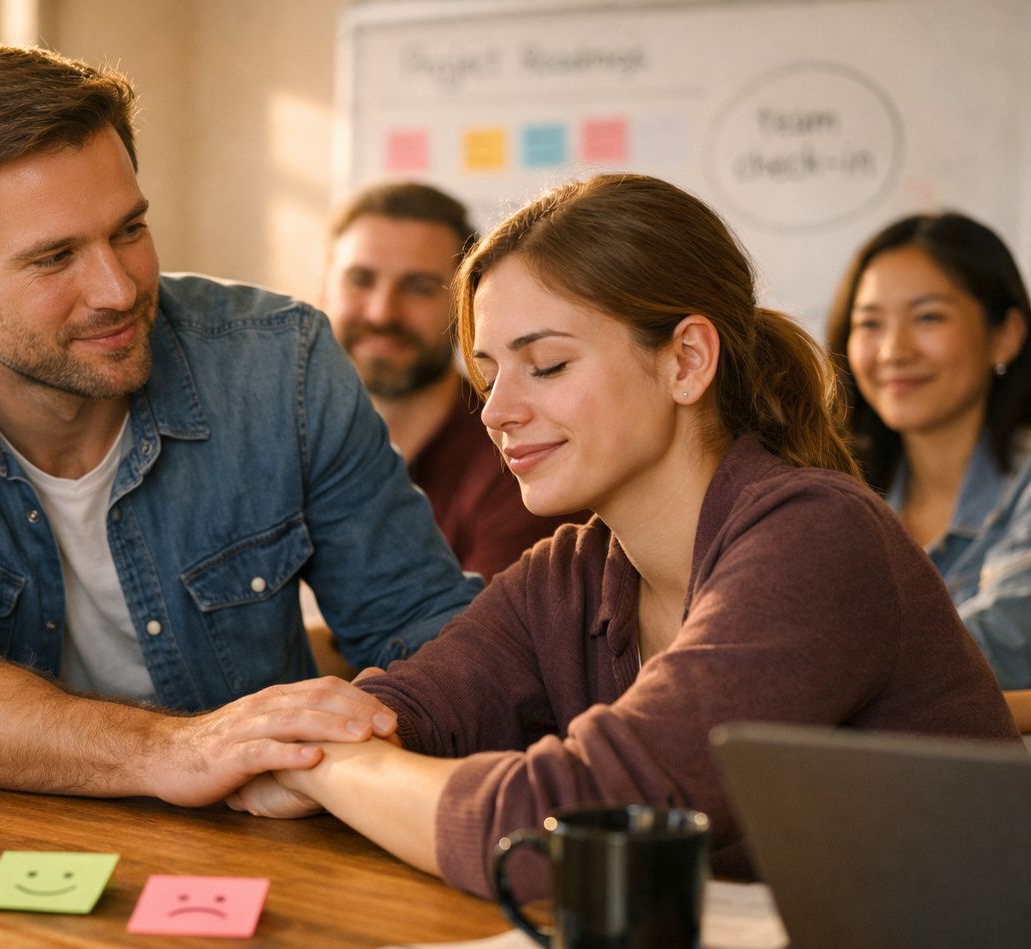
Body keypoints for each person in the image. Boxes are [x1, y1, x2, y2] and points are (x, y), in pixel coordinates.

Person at [227, 174, 1019, 901]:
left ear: (685, 361)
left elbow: (569, 834)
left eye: (545, 365)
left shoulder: (818, 538)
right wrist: (330, 747)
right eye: (488, 373)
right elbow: (399, 710)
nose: (497, 411)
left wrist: (323, 763)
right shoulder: (568, 572)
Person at [0, 44, 480, 801]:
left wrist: (350, 751)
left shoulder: (282, 362)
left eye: (129, 230)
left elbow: (424, 630)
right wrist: (176, 751)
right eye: (54, 257)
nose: (117, 289)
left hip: (264, 833)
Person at [827, 213, 1031, 727]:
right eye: (870, 323)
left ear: (1005, 336)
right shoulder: (834, 492)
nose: (894, 351)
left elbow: (1005, 646)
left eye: (928, 318)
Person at [322, 182, 583, 582]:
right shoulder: (282, 445)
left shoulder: (518, 455)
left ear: (468, 306)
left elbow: (477, 640)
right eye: (360, 279)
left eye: (419, 288)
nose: (381, 313)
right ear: (326, 288)